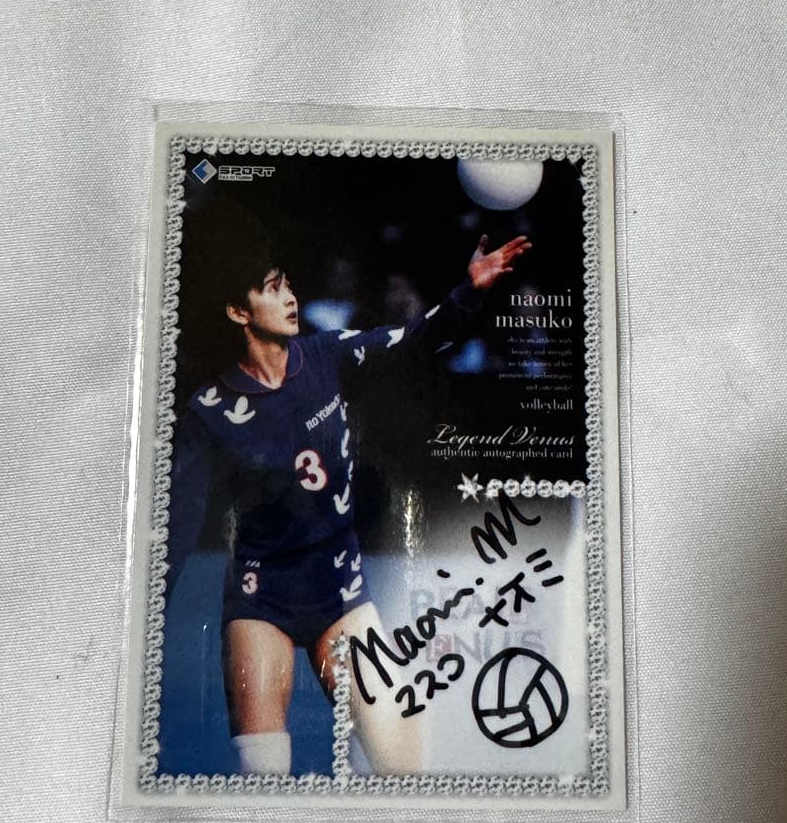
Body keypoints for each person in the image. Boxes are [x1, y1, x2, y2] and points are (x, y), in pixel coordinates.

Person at [166, 227, 532, 776]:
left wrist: (470, 289)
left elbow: (416, 338)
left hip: (340, 592)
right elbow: (179, 522)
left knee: (403, 768)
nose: (290, 297)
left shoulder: (325, 355)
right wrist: (145, 615)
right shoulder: (210, 410)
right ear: (239, 312)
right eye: (272, 289)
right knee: (264, 772)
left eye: (287, 284)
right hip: (262, 599)